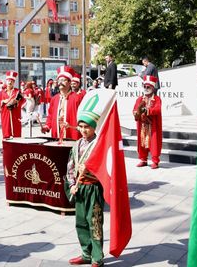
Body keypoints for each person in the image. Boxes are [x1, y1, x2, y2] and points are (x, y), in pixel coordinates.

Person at [66, 95, 109, 267]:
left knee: (95, 222)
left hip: (93, 188)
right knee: (81, 222)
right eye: (81, 127)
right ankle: (85, 253)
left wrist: (90, 171)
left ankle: (97, 257)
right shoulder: (76, 144)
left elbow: (105, 168)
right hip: (79, 188)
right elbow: (70, 166)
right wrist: (71, 185)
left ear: (94, 127)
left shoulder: (100, 144)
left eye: (87, 127)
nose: (83, 130)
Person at [42, 66, 82, 141]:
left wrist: (73, 126)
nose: (60, 82)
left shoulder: (77, 98)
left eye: (63, 80)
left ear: (69, 82)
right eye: (59, 80)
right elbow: (50, 115)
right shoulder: (54, 99)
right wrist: (47, 127)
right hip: (57, 133)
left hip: (71, 133)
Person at [133, 76, 162, 169]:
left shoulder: (157, 99)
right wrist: (136, 113)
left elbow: (157, 109)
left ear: (152, 88)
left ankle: (155, 161)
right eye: (145, 87)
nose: (146, 89)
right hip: (142, 125)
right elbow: (134, 109)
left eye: (148, 87)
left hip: (152, 125)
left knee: (154, 142)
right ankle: (143, 159)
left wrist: (147, 110)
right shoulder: (139, 99)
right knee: (142, 142)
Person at [0, 70, 24, 139]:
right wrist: (3, 101)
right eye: (8, 80)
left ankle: (16, 149)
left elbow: (23, 101)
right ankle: (6, 149)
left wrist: (16, 102)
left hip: (15, 114)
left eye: (12, 81)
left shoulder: (17, 91)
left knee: (16, 132)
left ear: (14, 82)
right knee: (6, 132)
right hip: (5, 115)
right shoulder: (2, 92)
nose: (10, 82)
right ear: (6, 81)